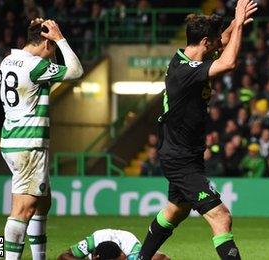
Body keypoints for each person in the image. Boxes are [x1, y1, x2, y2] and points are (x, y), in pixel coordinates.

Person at [137, 1, 257, 259]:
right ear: (205, 41)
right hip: (180, 158)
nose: (219, 45)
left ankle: (140, 257)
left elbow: (222, 41)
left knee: (175, 211)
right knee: (221, 217)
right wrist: (238, 28)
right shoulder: (186, 72)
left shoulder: (187, 58)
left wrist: (236, 23)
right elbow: (229, 63)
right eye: (214, 42)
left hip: (184, 154)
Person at [0, 18, 83, 260]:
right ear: (46, 42)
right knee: (21, 211)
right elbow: (76, 71)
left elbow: (53, 72)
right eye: (52, 46)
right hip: (29, 144)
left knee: (42, 203)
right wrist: (61, 39)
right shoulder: (35, 67)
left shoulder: (9, 60)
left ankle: (39, 257)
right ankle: (3, 255)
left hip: (13, 139)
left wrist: (50, 42)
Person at [57, 229, 169, 260]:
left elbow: (164, 258)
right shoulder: (92, 242)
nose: (124, 258)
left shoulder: (132, 253)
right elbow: (63, 256)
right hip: (102, 237)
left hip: (125, 239)